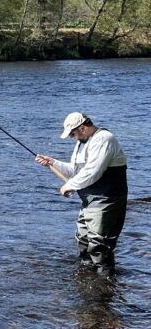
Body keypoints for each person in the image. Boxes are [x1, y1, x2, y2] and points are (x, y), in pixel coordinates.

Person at [35, 112, 127, 274]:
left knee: (99, 244)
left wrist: (69, 186)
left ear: (83, 128)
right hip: (89, 200)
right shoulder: (82, 142)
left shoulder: (104, 139)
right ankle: (87, 275)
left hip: (107, 199)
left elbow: (93, 172)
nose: (72, 137)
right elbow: (75, 170)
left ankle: (105, 282)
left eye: (72, 133)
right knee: (83, 239)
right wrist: (52, 163)